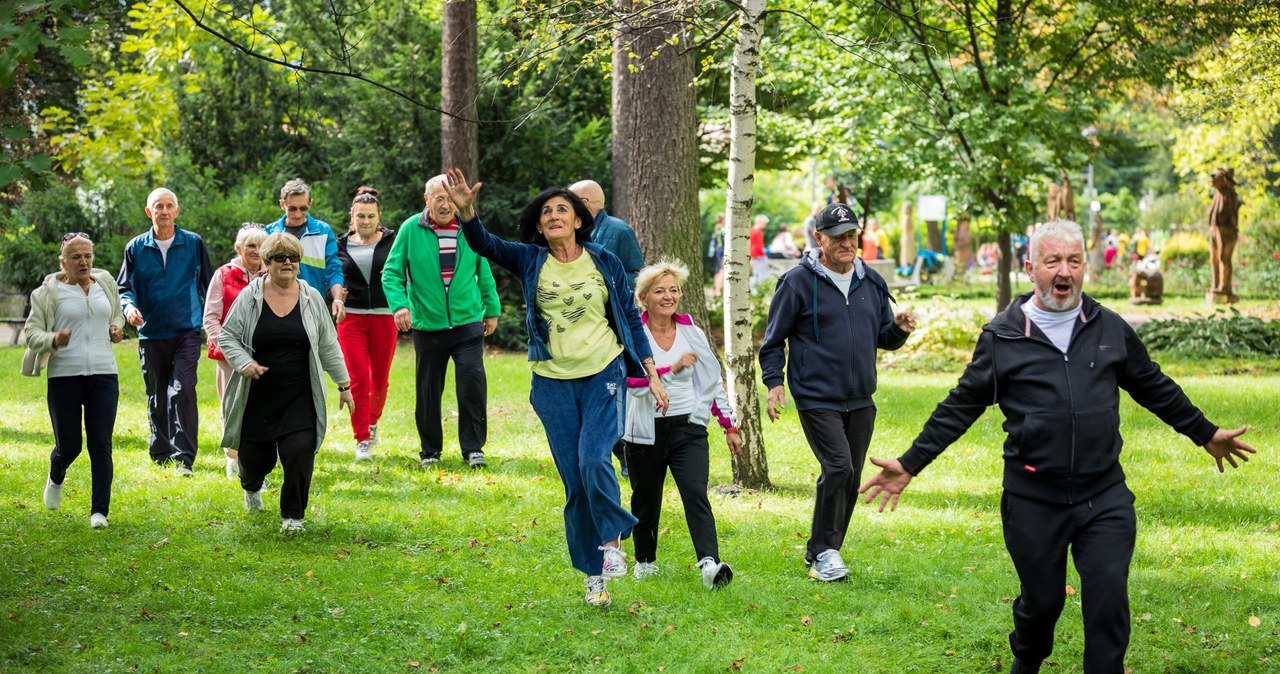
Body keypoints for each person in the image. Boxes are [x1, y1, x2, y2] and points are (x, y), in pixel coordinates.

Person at [858, 219, 1256, 674]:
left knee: (1107, 603)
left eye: (1074, 260)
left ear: (1085, 266)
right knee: (1042, 606)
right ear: (1031, 268)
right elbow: (960, 405)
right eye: (1052, 261)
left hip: (1103, 495)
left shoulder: (1108, 328)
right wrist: (911, 463)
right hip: (1033, 500)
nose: (1064, 271)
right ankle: (1026, 660)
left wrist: (1205, 432)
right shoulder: (1003, 336)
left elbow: (1153, 386)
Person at [446, 168, 666, 608]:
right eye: (546, 212)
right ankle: (593, 576)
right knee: (574, 484)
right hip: (552, 383)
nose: (553, 216)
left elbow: (628, 318)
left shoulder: (604, 260)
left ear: (579, 220)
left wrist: (652, 371)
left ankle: (613, 542)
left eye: (562, 209)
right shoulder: (530, 259)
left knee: (593, 459)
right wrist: (468, 215)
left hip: (604, 373)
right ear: (541, 225)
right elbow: (485, 245)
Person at [759, 202, 916, 582]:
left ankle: (824, 551)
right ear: (819, 239)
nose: (847, 243)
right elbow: (773, 340)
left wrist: (898, 329)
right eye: (838, 237)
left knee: (849, 475)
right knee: (838, 467)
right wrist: (774, 383)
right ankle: (826, 552)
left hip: (861, 397)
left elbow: (882, 337)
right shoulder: (796, 282)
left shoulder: (872, 281)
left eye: (852, 235)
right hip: (816, 396)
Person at [218, 233, 354, 533]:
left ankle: (293, 516)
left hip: (300, 394)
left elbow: (328, 344)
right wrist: (244, 363)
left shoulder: (311, 297)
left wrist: (343, 385)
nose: (288, 263)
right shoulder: (251, 296)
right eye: (280, 258)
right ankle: (251, 488)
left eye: (293, 258)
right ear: (267, 263)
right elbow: (226, 336)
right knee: (255, 462)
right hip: (258, 395)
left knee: (300, 451)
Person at [623, 261, 740, 589]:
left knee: (695, 492)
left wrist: (728, 425)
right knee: (646, 498)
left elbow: (711, 380)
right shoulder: (634, 333)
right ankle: (645, 561)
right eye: (660, 290)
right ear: (644, 298)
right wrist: (669, 370)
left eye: (673, 290)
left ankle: (709, 564)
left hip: (688, 427)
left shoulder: (691, 331)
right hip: (644, 429)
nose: (668, 296)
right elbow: (628, 381)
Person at [383, 176, 500, 468]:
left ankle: (473, 449)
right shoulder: (411, 229)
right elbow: (391, 273)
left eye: (450, 198)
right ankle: (430, 451)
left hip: (467, 323)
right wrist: (400, 306)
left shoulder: (469, 228)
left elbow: (482, 269)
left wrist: (491, 308)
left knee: (472, 386)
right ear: (427, 200)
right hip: (428, 326)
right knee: (428, 393)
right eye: (439, 198)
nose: (446, 204)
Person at [24, 233, 125, 528]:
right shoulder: (47, 292)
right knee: (69, 446)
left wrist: (117, 328)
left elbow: (115, 313)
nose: (84, 262)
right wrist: (54, 338)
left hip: (104, 373)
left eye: (88, 256)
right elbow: (31, 333)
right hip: (64, 375)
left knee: (101, 444)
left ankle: (99, 512)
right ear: (63, 262)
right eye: (76, 257)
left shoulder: (104, 282)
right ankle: (56, 476)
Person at [117, 188, 214, 475]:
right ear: (149, 212)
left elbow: (208, 286)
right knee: (157, 394)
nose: (164, 211)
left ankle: (184, 458)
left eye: (169, 206)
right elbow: (125, 288)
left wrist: (212, 321)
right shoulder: (135, 247)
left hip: (186, 330)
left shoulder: (193, 243)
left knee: (183, 390)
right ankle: (160, 452)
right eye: (158, 206)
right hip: (151, 332)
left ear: (177, 211)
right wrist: (129, 308)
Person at [570, 179, 646, 477]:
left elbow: (638, 276)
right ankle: (611, 451)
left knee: (611, 394)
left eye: (571, 201)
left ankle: (625, 453)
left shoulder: (617, 230)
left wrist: (603, 281)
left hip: (611, 327)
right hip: (581, 328)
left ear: (586, 204)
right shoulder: (575, 234)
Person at [335, 186, 399, 462]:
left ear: (378, 216)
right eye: (360, 216)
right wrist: (336, 292)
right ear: (352, 216)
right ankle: (361, 438)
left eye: (370, 216)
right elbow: (332, 273)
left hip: (385, 315)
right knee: (357, 379)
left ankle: (373, 422)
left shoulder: (394, 240)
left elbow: (405, 269)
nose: (365, 221)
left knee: (380, 380)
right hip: (351, 317)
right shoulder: (339, 243)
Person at [204, 223, 268, 478]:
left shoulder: (270, 276)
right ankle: (233, 455)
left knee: (260, 408)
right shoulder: (223, 275)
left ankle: (256, 461)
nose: (256, 251)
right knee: (231, 407)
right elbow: (210, 318)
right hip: (229, 356)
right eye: (251, 245)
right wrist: (231, 350)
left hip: (262, 353)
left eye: (261, 246)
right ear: (239, 248)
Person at [266, 178, 345, 321]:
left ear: (310, 204)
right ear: (282, 205)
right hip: (276, 307)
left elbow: (334, 269)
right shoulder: (270, 233)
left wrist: (338, 299)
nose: (298, 214)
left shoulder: (323, 231)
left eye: (303, 208)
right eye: (292, 208)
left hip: (313, 307)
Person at [570, 179, 645, 290]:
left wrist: (603, 278)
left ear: (584, 203)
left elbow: (639, 278)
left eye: (569, 203)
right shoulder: (571, 231)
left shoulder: (620, 230)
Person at [708, 212, 726, 297]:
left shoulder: (716, 228)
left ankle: (715, 289)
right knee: (722, 271)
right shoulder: (722, 229)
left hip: (717, 252)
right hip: (722, 252)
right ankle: (718, 291)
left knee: (718, 271)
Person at [749, 215, 768, 287]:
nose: (765, 225)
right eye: (764, 223)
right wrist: (764, 255)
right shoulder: (758, 231)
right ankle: (758, 289)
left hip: (753, 254)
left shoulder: (752, 230)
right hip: (758, 255)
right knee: (760, 274)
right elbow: (759, 245)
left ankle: (754, 289)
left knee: (755, 273)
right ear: (760, 222)